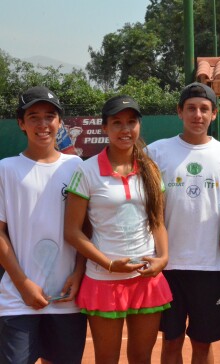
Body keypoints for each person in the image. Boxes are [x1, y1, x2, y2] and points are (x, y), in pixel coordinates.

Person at [64, 95, 172, 363]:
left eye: (131, 122)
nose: (125, 130)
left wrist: (163, 258)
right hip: (103, 281)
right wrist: (109, 264)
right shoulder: (86, 171)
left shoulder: (151, 168)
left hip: (146, 278)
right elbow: (72, 231)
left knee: (141, 357)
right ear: (105, 128)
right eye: (117, 123)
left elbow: (157, 221)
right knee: (107, 359)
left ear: (139, 126)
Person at [147, 82, 220, 364]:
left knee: (203, 343)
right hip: (168, 265)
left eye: (204, 109)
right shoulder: (157, 152)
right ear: (179, 112)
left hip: (210, 264)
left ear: (214, 114)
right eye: (191, 108)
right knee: (171, 341)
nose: (197, 115)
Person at [0, 86, 87, 363]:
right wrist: (23, 284)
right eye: (33, 116)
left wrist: (80, 271)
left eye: (49, 116)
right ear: (21, 123)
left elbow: (87, 228)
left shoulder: (77, 167)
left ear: (60, 122)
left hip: (67, 299)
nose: (42, 124)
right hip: (17, 301)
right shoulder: (5, 169)